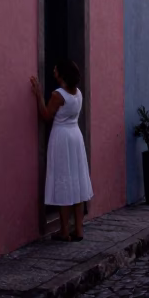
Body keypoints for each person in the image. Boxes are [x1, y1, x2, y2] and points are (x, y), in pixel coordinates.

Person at [30, 59, 93, 242]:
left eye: (56, 69)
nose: (54, 70)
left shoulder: (58, 95)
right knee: (77, 181)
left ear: (62, 75)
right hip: (75, 136)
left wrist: (38, 95)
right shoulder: (78, 93)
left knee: (63, 180)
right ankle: (79, 229)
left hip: (61, 138)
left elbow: (45, 115)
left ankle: (64, 231)